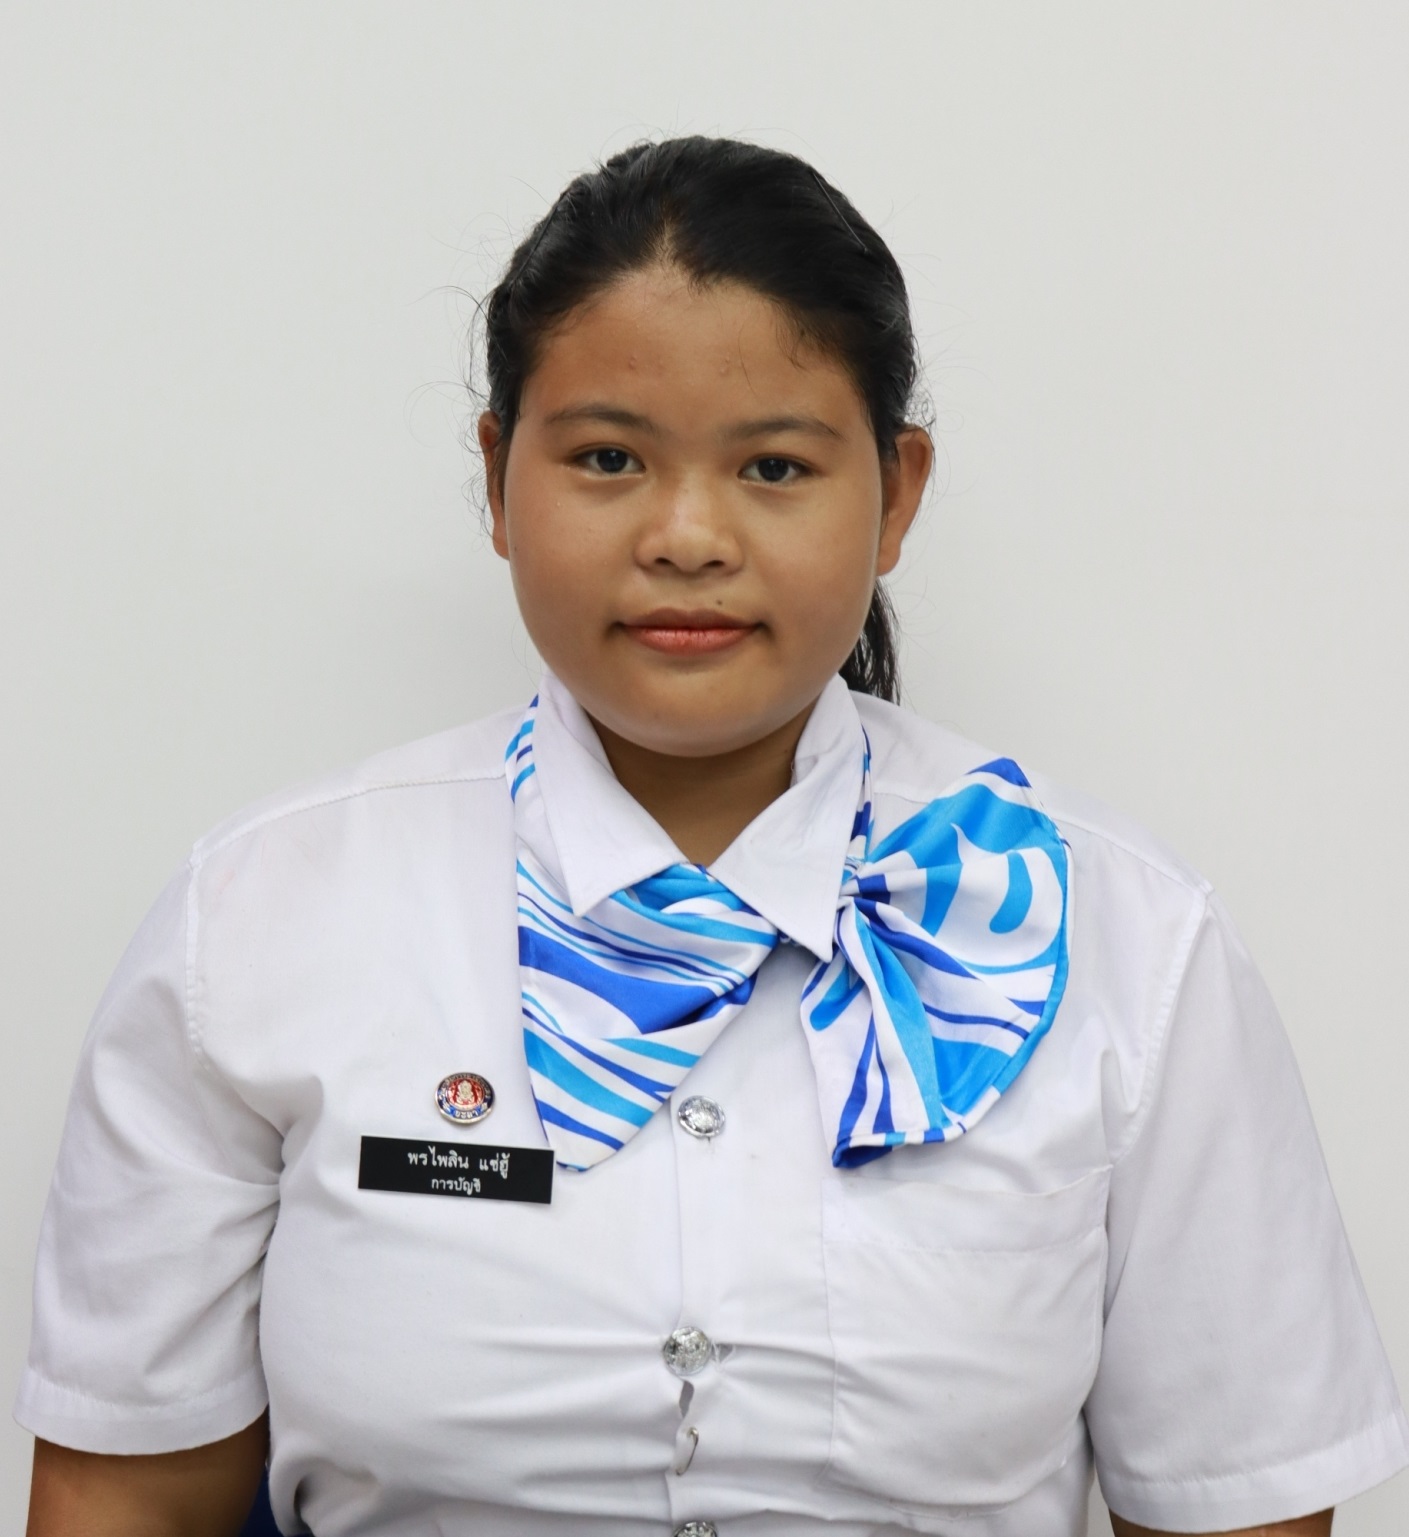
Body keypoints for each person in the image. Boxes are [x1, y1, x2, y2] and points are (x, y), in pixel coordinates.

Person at [17, 137, 1407, 1537]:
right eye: (608, 457)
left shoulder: (1135, 941)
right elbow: (128, 1498)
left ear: (898, 494)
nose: (687, 536)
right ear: (498, 478)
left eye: (775, 466)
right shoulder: (257, 918)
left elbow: (1235, 1505)